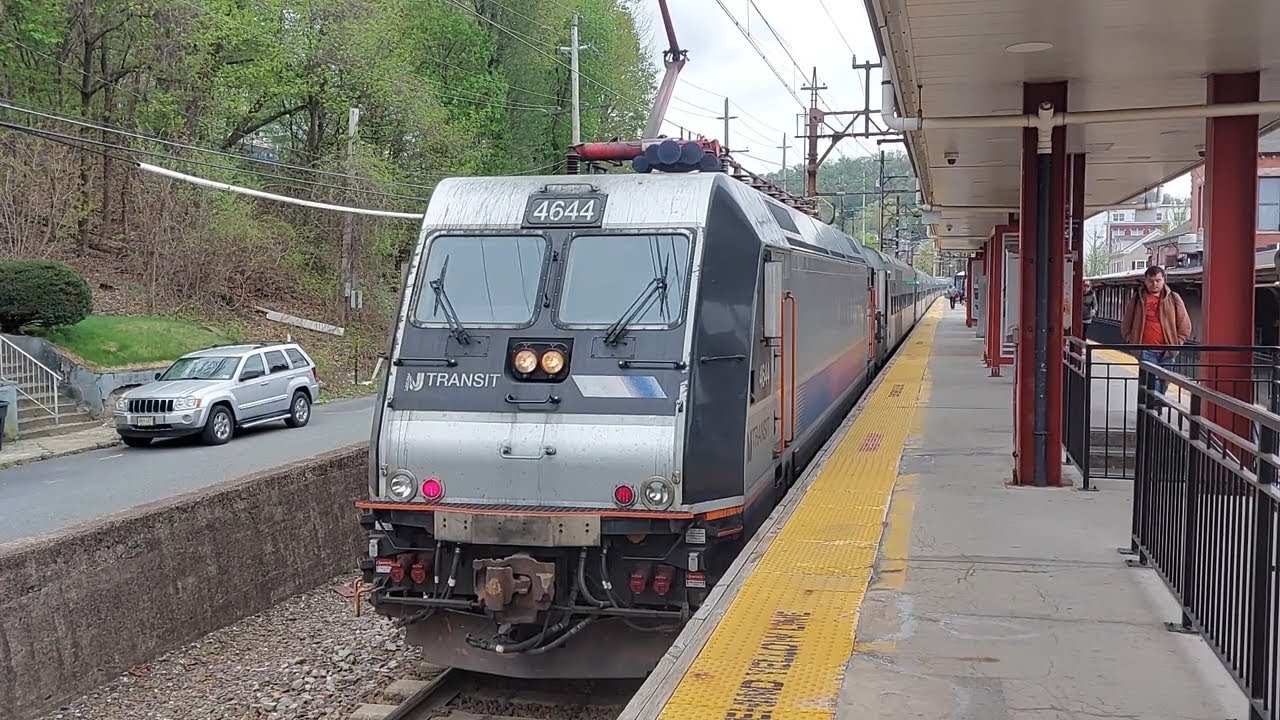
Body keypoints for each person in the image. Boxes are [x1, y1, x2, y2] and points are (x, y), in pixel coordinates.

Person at [1119, 266, 1192, 398]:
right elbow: (1126, 323)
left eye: (1158, 280)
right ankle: (1150, 416)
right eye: (1151, 281)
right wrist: (1132, 341)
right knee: (1151, 386)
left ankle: (1152, 414)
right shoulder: (1137, 299)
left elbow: (1185, 325)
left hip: (1168, 352)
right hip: (1145, 350)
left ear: (1164, 280)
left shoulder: (1174, 298)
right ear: (1145, 281)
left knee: (1162, 385)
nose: (1154, 284)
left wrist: (1177, 343)